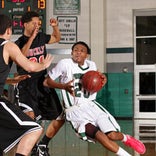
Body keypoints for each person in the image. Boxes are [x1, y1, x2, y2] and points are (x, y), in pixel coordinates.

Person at [43, 41, 146, 156]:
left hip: (91, 106)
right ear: (71, 52)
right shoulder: (64, 63)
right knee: (99, 136)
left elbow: (97, 82)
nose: (78, 53)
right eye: (75, 50)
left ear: (86, 55)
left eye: (82, 51)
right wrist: (63, 86)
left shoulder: (92, 65)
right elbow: (46, 82)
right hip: (75, 111)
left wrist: (102, 81)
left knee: (111, 135)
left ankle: (126, 139)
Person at [0, 14, 53, 156]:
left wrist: (10, 81)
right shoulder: (8, 45)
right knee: (34, 129)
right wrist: (43, 65)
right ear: (9, 30)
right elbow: (29, 66)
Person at [15, 11, 64, 156]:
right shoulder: (19, 42)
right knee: (29, 117)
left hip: (42, 83)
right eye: (34, 23)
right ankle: (34, 147)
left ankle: (43, 144)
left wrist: (55, 27)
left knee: (60, 117)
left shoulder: (42, 37)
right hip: (26, 85)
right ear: (25, 24)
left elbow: (57, 38)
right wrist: (32, 38)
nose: (37, 26)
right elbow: (21, 56)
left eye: (39, 23)